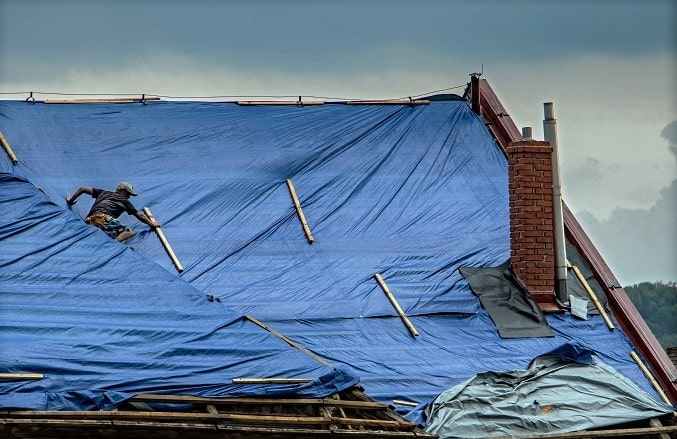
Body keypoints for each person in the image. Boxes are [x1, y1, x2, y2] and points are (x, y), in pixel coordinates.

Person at [66, 182, 159, 242]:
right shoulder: (123, 200)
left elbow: (82, 189)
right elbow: (139, 215)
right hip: (102, 218)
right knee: (128, 232)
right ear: (122, 191)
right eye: (128, 194)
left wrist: (70, 200)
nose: (129, 197)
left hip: (89, 221)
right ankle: (114, 245)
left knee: (108, 233)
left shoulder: (103, 193)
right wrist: (152, 224)